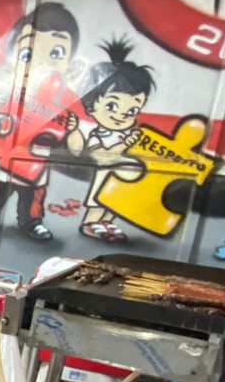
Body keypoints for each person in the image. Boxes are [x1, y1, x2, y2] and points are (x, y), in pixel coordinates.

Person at [0, 1, 81, 242]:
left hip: (35, 161)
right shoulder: (11, 92)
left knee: (33, 194)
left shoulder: (65, 99)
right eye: (27, 53)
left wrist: (72, 131)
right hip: (5, 155)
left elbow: (76, 144)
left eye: (55, 53)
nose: (40, 63)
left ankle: (31, 222)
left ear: (71, 65)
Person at [64, 37, 156, 244]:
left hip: (117, 182)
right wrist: (126, 144)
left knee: (113, 201)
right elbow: (101, 157)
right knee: (100, 198)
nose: (123, 115)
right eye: (112, 106)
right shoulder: (100, 134)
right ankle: (91, 222)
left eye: (132, 110)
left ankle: (105, 222)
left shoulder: (123, 133)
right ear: (91, 105)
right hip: (104, 176)